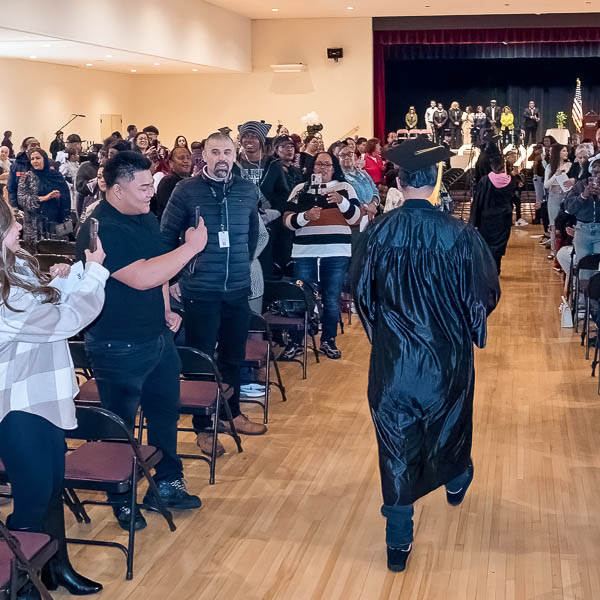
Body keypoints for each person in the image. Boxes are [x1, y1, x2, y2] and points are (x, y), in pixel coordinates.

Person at [351, 136, 500, 573]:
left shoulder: (378, 231)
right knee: (448, 422)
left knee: (395, 445)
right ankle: (456, 475)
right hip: (445, 357)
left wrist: (385, 332)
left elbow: (360, 292)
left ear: (398, 181)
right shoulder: (460, 234)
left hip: (394, 361)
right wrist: (463, 325)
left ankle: (398, 540)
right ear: (436, 180)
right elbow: (484, 295)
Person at [76, 151, 205, 530]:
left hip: (156, 337)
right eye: (144, 186)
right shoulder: (102, 227)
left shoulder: (144, 217)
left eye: (151, 185)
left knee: (165, 414)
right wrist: (191, 247)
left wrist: (165, 310)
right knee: (120, 424)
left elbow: (157, 270)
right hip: (117, 343)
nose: (152, 192)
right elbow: (141, 276)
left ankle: (166, 483)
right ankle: (121, 496)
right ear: (117, 190)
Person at [0, 198, 107, 596]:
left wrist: (61, 279)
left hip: (43, 390)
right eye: (11, 222)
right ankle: (21, 581)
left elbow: (45, 304)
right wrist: (93, 273)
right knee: (33, 495)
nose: (20, 225)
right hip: (15, 401)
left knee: (50, 487)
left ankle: (54, 567)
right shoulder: (3, 291)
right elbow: (65, 320)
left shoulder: (17, 264)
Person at [161, 132, 266, 458]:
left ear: (235, 155)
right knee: (201, 359)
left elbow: (252, 235)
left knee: (233, 356)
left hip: (236, 289)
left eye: (227, 152)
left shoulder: (247, 190)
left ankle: (231, 413)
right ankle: (203, 426)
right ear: (203, 156)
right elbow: (167, 236)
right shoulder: (185, 190)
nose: (222, 158)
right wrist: (175, 276)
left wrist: (240, 265)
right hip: (200, 290)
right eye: (215, 152)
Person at [283, 151, 361, 360]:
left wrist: (342, 202)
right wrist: (305, 216)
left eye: (327, 165)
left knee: (331, 298)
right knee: (300, 297)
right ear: (312, 167)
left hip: (336, 252)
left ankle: (328, 340)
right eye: (319, 164)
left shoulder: (345, 188)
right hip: (305, 252)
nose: (323, 168)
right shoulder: (300, 189)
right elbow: (287, 221)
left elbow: (356, 218)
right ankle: (296, 342)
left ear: (334, 168)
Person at [260, 135, 304, 276]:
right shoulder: (272, 168)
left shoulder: (296, 170)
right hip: (277, 216)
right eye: (284, 147)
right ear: (276, 150)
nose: (288, 150)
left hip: (295, 215)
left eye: (291, 147)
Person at [470, 153, 517, 274]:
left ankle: (487, 269)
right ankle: (496, 269)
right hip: (504, 219)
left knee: (486, 245)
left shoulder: (485, 181)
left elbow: (478, 201)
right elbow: (514, 199)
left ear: (492, 166)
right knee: (499, 246)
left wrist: (473, 221)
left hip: (487, 219)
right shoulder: (510, 181)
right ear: (503, 166)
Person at [17, 148, 71, 246]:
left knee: (55, 250)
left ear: (45, 159)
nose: (35, 161)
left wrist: (59, 197)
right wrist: (45, 198)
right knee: (35, 252)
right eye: (32, 159)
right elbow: (22, 199)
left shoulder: (56, 175)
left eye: (38, 158)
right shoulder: (26, 177)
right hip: (34, 225)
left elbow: (66, 196)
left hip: (55, 222)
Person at [564, 158, 600, 265]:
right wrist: (583, 196)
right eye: (596, 172)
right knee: (583, 266)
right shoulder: (580, 185)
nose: (598, 176)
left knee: (598, 268)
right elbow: (569, 208)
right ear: (590, 172)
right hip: (582, 230)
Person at [236, 120, 273, 206]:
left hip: (267, 212)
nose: (249, 140)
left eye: (254, 136)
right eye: (245, 136)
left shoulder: (273, 164)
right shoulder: (232, 164)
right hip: (240, 211)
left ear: (261, 140)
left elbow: (282, 194)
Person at [545, 144, 572, 254]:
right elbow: (546, 185)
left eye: (566, 151)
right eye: (564, 151)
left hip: (567, 196)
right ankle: (553, 250)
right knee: (553, 223)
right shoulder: (550, 167)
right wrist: (555, 175)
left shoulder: (570, 165)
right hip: (554, 196)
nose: (566, 153)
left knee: (566, 222)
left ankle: (564, 248)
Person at [153, 146, 192, 221]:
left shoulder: (193, 181)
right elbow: (171, 210)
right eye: (181, 158)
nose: (186, 161)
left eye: (188, 158)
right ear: (171, 163)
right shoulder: (167, 182)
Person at [7, 137, 41, 206]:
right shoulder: (16, 165)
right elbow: (11, 187)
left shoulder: (46, 163)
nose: (37, 147)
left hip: (42, 203)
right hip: (22, 206)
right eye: (33, 145)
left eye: (38, 145)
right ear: (25, 149)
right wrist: (14, 205)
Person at [506, 150, 527, 226]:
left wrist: (518, 182)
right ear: (508, 157)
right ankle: (511, 220)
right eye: (513, 157)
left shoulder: (512, 166)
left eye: (515, 157)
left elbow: (515, 177)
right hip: (508, 189)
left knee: (517, 203)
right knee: (511, 204)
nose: (514, 159)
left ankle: (518, 218)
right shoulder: (505, 166)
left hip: (512, 188)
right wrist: (511, 174)